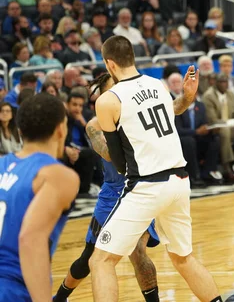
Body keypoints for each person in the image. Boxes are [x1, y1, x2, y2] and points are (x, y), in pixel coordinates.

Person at [88, 35, 223, 302]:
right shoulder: (157, 84)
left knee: (100, 261)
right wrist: (186, 97)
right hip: (180, 181)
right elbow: (170, 114)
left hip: (147, 185)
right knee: (183, 258)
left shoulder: (107, 101)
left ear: (109, 64)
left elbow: (118, 160)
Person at [53, 74, 162, 302]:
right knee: (89, 257)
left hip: (139, 190)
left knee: (137, 251)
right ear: (103, 97)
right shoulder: (94, 125)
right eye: (114, 90)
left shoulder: (136, 115)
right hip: (112, 195)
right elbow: (109, 154)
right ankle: (60, 297)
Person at [0, 93, 79, 301]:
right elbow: (30, 239)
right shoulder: (57, 175)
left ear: (20, 131)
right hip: (12, 288)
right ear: (61, 129)